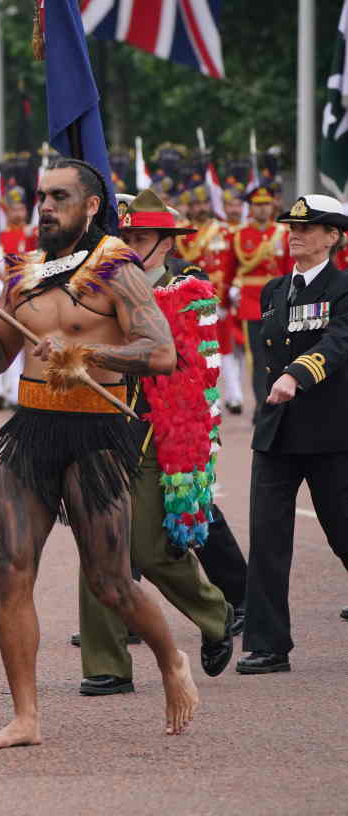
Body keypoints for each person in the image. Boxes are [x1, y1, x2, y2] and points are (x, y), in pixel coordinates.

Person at [0, 160, 200, 749]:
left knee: (110, 583)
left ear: (91, 206)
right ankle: (26, 717)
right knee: (12, 570)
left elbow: (162, 353)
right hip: (31, 432)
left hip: (96, 435)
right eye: (42, 196)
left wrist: (83, 351)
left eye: (59, 196)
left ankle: (172, 660)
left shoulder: (118, 270)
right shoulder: (24, 277)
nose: (45, 206)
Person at [75, 189, 235, 696]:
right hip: (100, 425)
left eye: (139, 238)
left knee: (148, 545)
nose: (126, 247)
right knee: (95, 541)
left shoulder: (187, 291)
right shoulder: (96, 288)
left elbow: (191, 371)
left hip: (153, 429)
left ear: (165, 243)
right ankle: (107, 663)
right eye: (122, 238)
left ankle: (216, 614)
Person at [239, 194, 348, 674]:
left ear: (333, 237)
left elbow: (337, 341)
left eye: (309, 227)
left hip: (329, 434)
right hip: (276, 434)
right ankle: (268, 644)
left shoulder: (344, 288)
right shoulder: (274, 289)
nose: (295, 234)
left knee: (342, 530)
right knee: (266, 539)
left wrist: (298, 375)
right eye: (293, 227)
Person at [177, 184, 243, 415]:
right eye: (195, 204)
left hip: (218, 299)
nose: (200, 208)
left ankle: (234, 396)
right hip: (189, 301)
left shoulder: (224, 232)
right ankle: (203, 398)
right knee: (196, 352)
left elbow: (235, 265)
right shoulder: (181, 234)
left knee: (224, 350)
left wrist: (233, 290)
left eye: (204, 203)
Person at [232, 186, 293, 417]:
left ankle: (279, 401)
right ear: (252, 207)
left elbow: (289, 270)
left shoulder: (284, 234)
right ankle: (261, 405)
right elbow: (230, 272)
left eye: (266, 203)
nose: (262, 208)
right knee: (257, 359)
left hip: (278, 302)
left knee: (281, 354)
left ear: (273, 206)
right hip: (251, 303)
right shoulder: (241, 235)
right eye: (257, 204)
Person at [0, 187, 36, 410]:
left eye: (21, 208)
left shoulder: (33, 235)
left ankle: (14, 394)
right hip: (1, 296)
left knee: (21, 343)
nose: (18, 213)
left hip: (25, 293)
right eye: (14, 208)